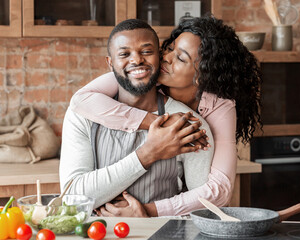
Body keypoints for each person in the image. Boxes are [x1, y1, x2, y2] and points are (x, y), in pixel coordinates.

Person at [70, 15, 262, 217]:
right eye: (170, 48)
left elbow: (218, 190)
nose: (166, 58)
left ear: (203, 75)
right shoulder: (141, 75)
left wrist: (148, 211)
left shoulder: (218, 107)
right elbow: (80, 100)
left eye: (180, 58)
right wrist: (160, 123)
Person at [59, 19, 214, 211]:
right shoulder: (83, 115)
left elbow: (204, 209)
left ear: (159, 56)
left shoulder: (187, 123)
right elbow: (73, 198)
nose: (136, 60)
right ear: (110, 63)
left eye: (147, 51)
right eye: (124, 54)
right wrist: (147, 154)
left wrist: (149, 214)